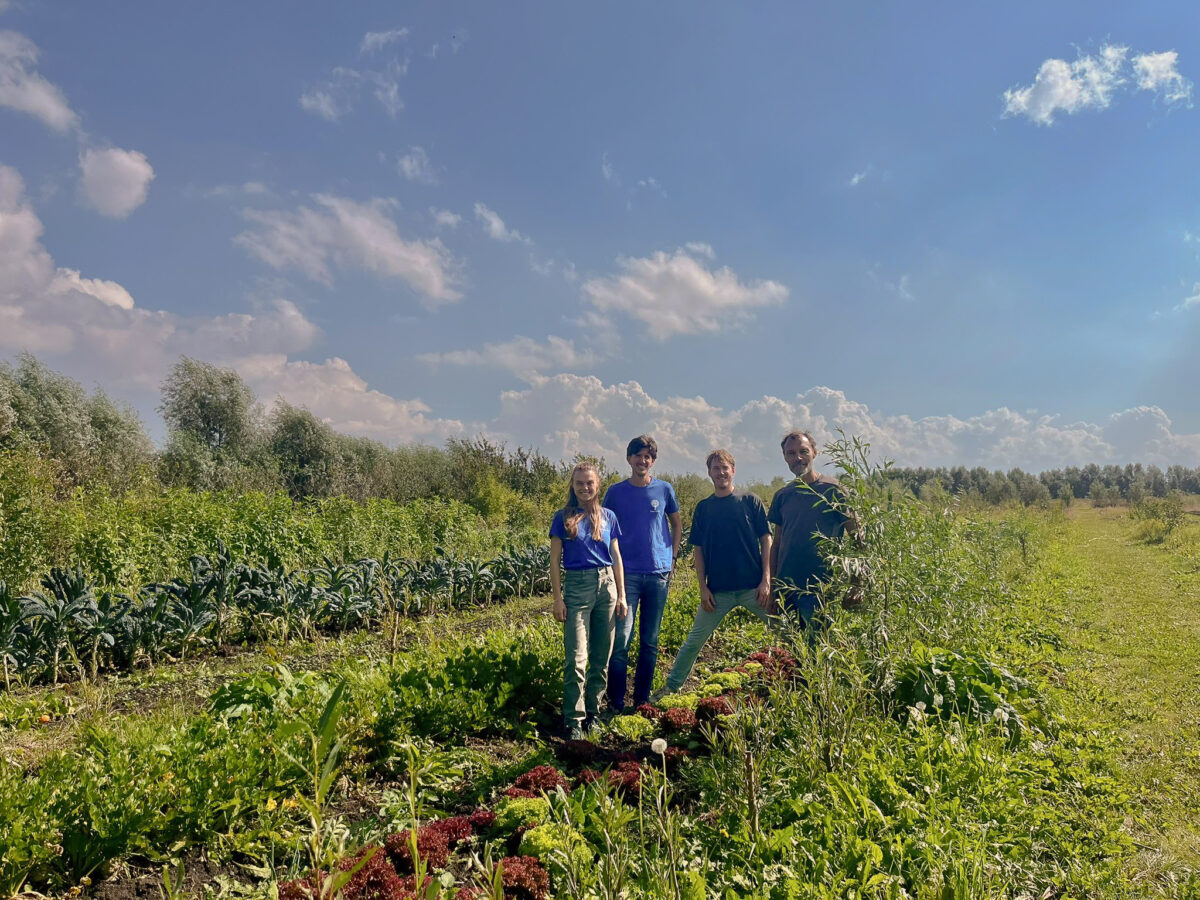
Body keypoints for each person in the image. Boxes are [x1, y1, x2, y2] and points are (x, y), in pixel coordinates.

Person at [660, 450, 773, 693]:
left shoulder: (750, 501)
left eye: (725, 468)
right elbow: (698, 550)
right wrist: (703, 588)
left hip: (753, 589)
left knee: (787, 630)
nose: (720, 472)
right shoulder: (704, 508)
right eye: (715, 468)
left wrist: (766, 580)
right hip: (717, 592)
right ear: (709, 472)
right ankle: (671, 687)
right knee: (693, 642)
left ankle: (806, 677)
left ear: (733, 470)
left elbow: (766, 539)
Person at [602, 435, 682, 713]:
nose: (642, 460)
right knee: (622, 641)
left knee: (650, 641)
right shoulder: (615, 492)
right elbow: (605, 530)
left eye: (648, 456)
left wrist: (671, 558)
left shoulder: (664, 490)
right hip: (627, 576)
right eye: (638, 455)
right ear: (629, 459)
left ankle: (641, 700)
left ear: (653, 461)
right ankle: (615, 701)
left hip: (658, 574)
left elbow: (676, 525)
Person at [549, 461, 628, 740]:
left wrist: (622, 594)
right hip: (577, 587)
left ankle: (593, 712)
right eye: (580, 483)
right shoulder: (563, 517)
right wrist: (558, 599)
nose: (585, 488)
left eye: (589, 483)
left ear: (598, 485)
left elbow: (616, 557)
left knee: (601, 656)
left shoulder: (609, 517)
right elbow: (554, 562)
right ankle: (574, 719)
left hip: (606, 586)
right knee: (576, 657)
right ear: (573, 485)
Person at [767, 431, 853, 634]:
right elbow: (777, 544)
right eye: (791, 453)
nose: (797, 458)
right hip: (787, 590)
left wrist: (857, 583)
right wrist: (773, 589)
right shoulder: (782, 496)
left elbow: (858, 537)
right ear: (785, 457)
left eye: (803, 451)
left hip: (822, 589)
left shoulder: (834, 490)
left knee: (820, 652)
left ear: (815, 452)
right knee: (794, 655)